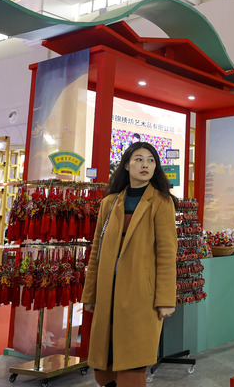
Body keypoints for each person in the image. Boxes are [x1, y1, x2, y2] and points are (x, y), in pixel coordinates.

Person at [82, 142, 178, 387]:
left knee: (133, 363)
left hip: (140, 294)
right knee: (105, 364)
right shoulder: (109, 202)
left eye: (151, 160)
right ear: (126, 165)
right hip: (108, 291)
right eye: (138, 159)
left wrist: (166, 299)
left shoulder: (162, 202)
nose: (145, 164)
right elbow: (96, 251)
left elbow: (167, 254)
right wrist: (90, 293)